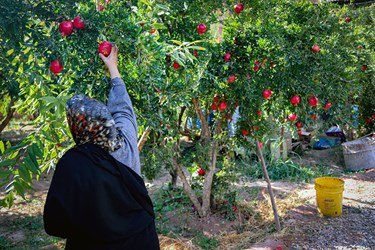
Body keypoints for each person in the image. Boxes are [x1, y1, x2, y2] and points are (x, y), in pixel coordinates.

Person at [43, 44, 160, 250]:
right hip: (141, 242)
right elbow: (123, 110)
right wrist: (113, 69)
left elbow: (55, 224)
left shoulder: (73, 163)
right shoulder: (126, 143)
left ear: (75, 126)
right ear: (106, 119)